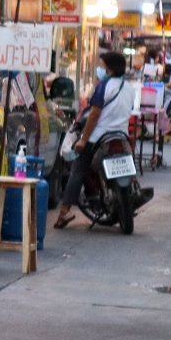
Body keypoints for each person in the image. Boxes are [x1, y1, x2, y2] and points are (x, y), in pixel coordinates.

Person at [53, 49, 138, 229]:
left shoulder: (103, 86)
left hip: (99, 136)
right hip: (122, 136)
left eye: (101, 67)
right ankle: (133, 189)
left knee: (78, 169)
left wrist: (83, 140)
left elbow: (94, 115)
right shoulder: (129, 88)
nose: (99, 70)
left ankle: (64, 212)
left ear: (110, 70)